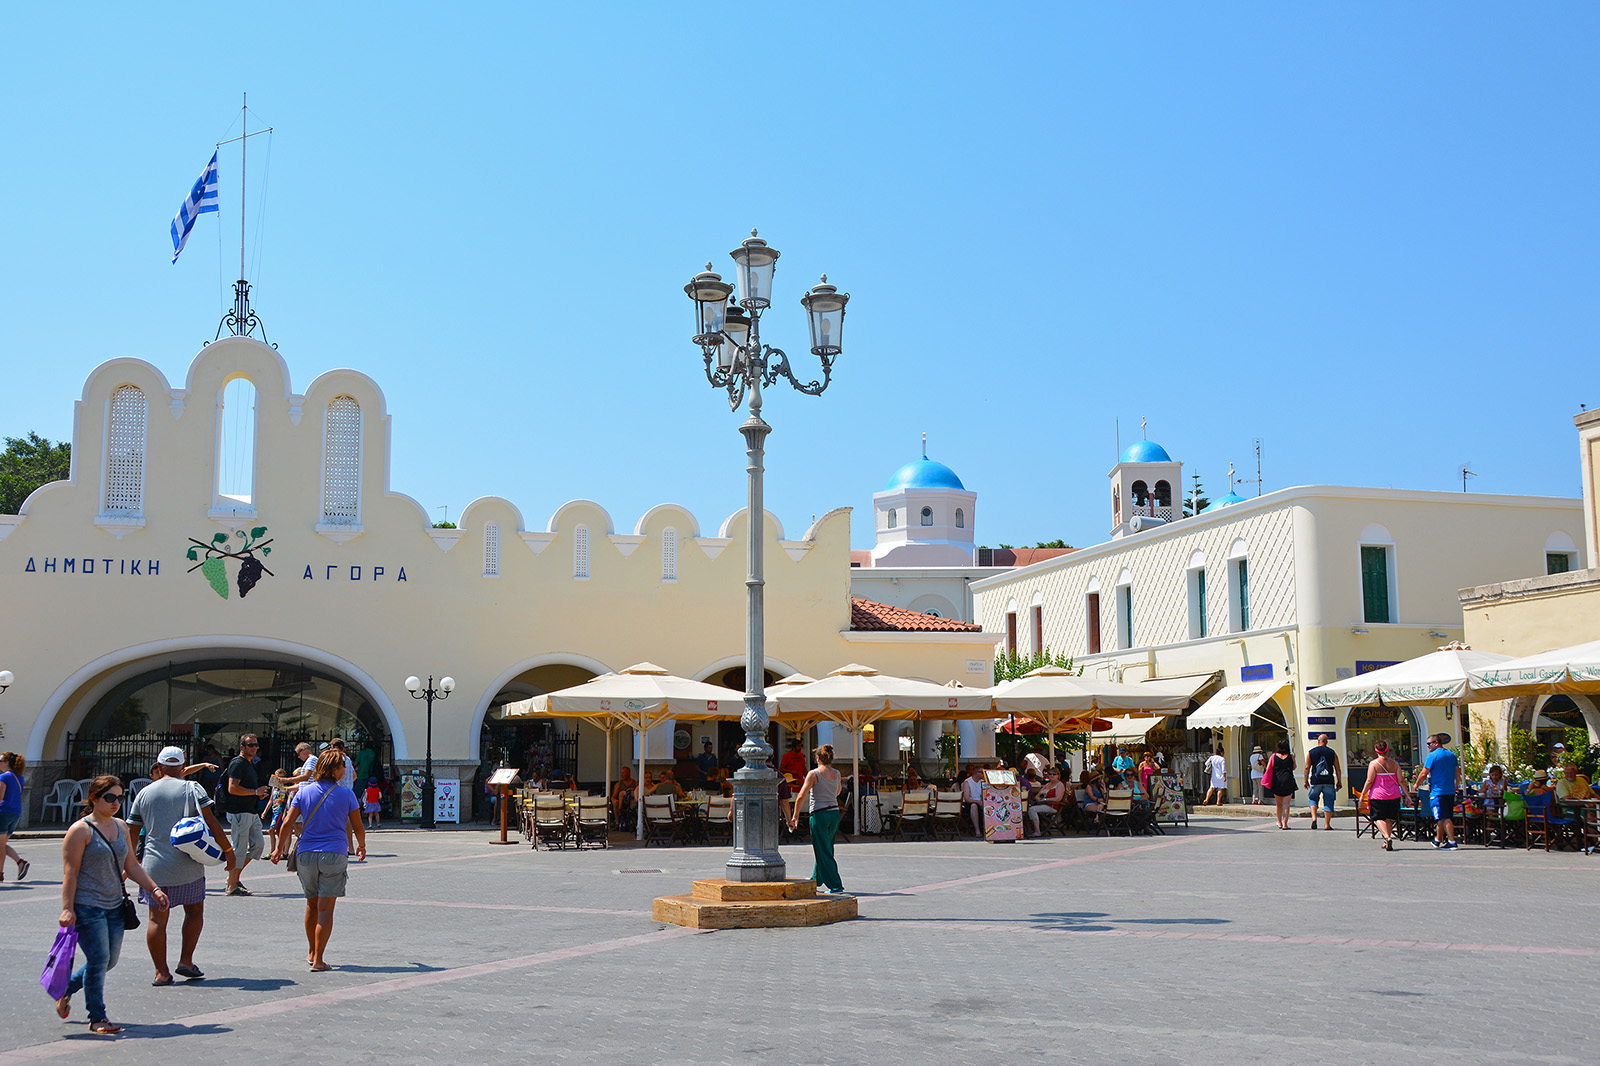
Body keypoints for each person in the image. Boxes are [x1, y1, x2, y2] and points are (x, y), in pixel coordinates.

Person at [55, 775, 169, 1034]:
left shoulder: (120, 827)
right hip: (87, 905)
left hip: (115, 905)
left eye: (120, 797)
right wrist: (67, 908)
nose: (116, 802)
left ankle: (65, 989)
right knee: (98, 959)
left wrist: (154, 888)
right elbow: (70, 873)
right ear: (94, 799)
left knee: (109, 961)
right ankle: (97, 1017)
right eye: (110, 797)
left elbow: (131, 865)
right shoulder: (80, 830)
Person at [126, 748, 235, 985]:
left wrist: (129, 863)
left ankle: (161, 973)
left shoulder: (144, 792)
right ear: (183, 766)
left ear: (159, 765)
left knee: (157, 920)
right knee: (194, 911)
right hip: (188, 864)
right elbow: (211, 821)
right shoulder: (192, 788)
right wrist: (228, 851)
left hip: (154, 867)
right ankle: (186, 961)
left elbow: (132, 831)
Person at [270, 750, 365, 971]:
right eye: (343, 766)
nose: (346, 770)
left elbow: (286, 823)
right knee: (325, 909)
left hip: (306, 854)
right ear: (334, 769)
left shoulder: (304, 792)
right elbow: (358, 826)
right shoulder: (347, 795)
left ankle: (311, 951)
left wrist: (276, 851)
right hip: (334, 853)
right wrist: (361, 845)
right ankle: (319, 960)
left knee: (311, 905)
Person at [789, 744, 845, 894]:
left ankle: (835, 884)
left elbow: (801, 796)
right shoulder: (837, 773)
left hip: (819, 814)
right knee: (827, 847)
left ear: (818, 758)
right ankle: (817, 878)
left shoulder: (814, 774)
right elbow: (838, 792)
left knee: (822, 848)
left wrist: (795, 816)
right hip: (834, 813)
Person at [222, 735, 269, 896]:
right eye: (250, 745)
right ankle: (231, 885)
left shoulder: (249, 764)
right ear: (242, 746)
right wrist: (255, 792)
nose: (254, 748)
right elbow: (232, 788)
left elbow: (246, 788)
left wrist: (257, 794)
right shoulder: (237, 763)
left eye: (256, 745)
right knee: (239, 849)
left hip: (251, 810)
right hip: (239, 811)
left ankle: (233, 878)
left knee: (258, 846)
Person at [1415, 733, 1461, 850]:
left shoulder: (1432, 756)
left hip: (1438, 791)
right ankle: (1437, 840)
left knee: (1445, 817)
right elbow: (1457, 772)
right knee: (1441, 816)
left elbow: (1424, 773)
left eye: (1429, 744)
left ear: (1437, 743)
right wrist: (1456, 785)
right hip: (1449, 791)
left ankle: (1452, 841)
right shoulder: (1451, 755)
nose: (1428, 746)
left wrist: (1416, 784)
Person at [1361, 740, 1408, 851]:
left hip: (1378, 795)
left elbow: (1369, 780)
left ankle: (1387, 837)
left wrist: (1363, 793)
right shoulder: (1394, 764)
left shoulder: (1374, 764)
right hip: (1394, 794)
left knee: (1378, 818)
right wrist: (1407, 794)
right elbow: (1401, 780)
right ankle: (1386, 841)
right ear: (1387, 749)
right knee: (1389, 819)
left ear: (1376, 750)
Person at [0, 751, 30, 882]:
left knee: (0, 846)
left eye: (0, 760)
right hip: (15, 813)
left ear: (6, 763)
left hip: (3, 812)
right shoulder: (19, 777)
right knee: (2, 844)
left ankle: (0, 873)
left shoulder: (4, 777)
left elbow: (0, 797)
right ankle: (20, 862)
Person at [1304, 734, 1342, 830]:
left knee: (1313, 799)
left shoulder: (1311, 752)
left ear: (1318, 741)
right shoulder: (1332, 752)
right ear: (1326, 742)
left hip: (1316, 780)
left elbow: (1307, 767)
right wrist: (1339, 781)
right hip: (1329, 780)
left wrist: (1306, 781)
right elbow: (1338, 768)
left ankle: (1314, 818)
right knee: (1329, 801)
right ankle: (1327, 824)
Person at [1265, 740, 1298, 829]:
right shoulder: (1291, 756)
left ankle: (1279, 822)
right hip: (1288, 781)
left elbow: (1268, 768)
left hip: (1277, 781)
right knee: (1286, 804)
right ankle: (1285, 824)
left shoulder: (1273, 756)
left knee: (1279, 804)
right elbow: (1294, 767)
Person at [1027, 766, 1067, 837]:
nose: (1052, 776)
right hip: (1043, 804)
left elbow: (1058, 798)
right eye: (1050, 774)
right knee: (1027, 809)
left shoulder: (1059, 785)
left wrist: (1045, 800)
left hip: (1052, 806)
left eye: (1054, 774)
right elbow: (1037, 796)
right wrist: (1038, 799)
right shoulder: (1047, 784)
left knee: (1032, 809)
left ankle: (1037, 831)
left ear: (1058, 775)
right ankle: (1030, 830)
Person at [960, 764, 985, 837]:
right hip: (969, 803)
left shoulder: (982, 782)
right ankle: (977, 830)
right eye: (982, 772)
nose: (983, 774)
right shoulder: (967, 782)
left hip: (980, 802)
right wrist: (978, 802)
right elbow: (967, 798)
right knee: (974, 806)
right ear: (977, 773)